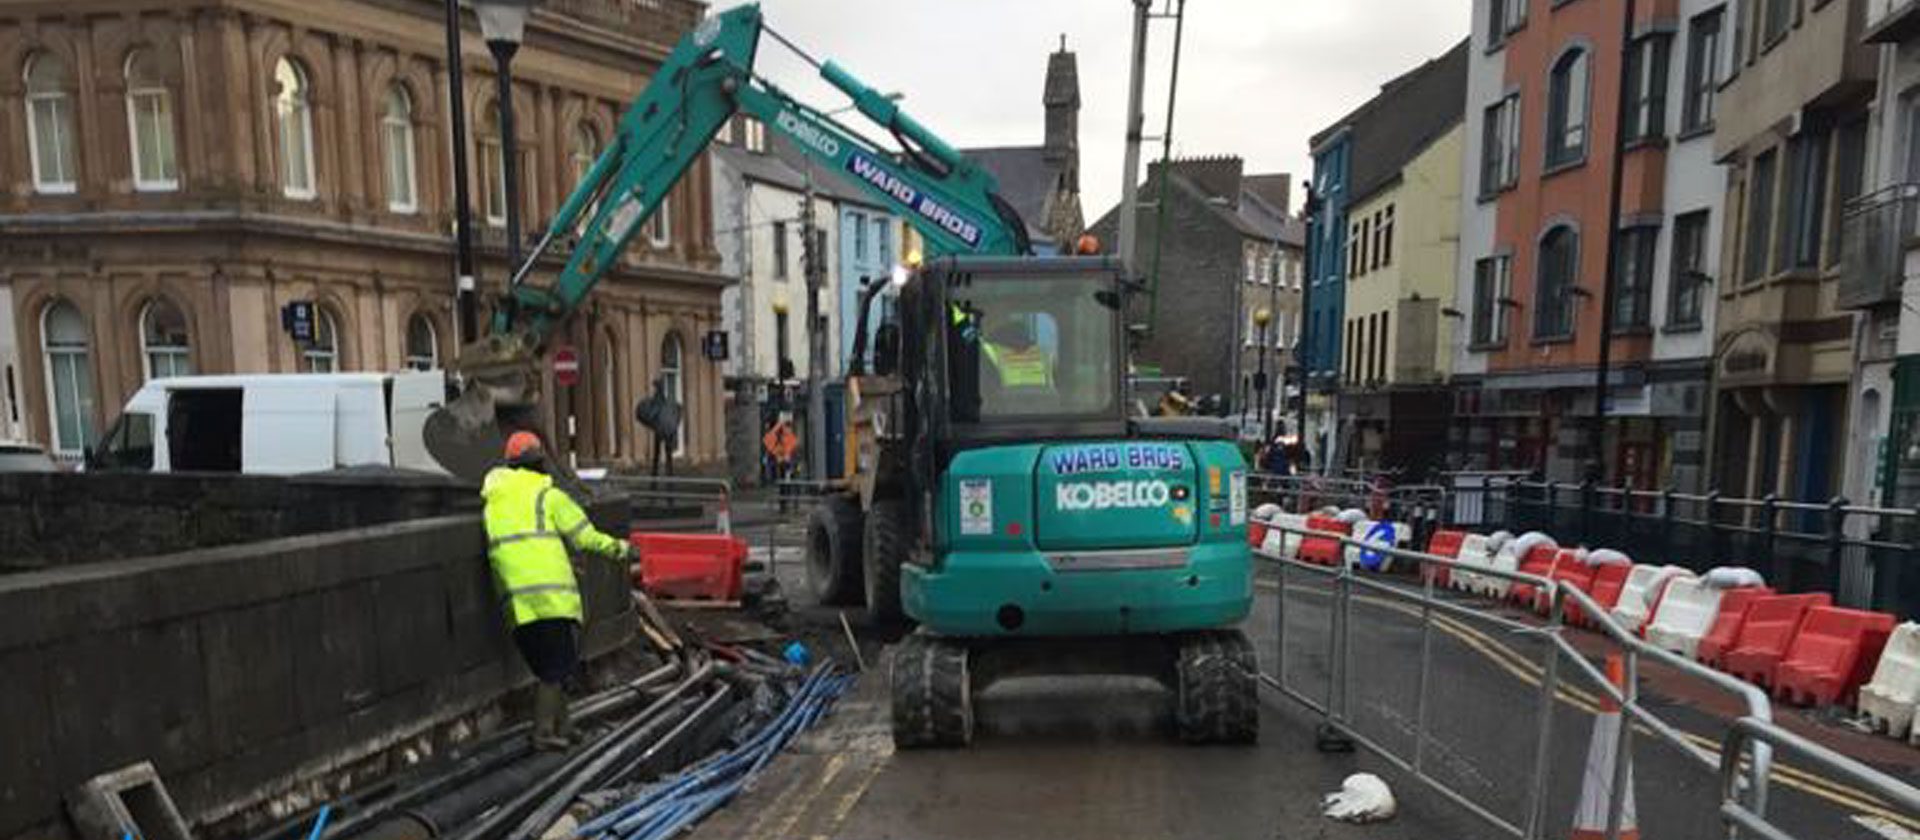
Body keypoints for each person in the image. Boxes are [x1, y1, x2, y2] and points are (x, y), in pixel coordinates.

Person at [481, 431, 635, 750]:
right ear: (540, 465)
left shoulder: (493, 501)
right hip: (552, 599)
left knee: (552, 668)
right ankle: (544, 734)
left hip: (518, 604)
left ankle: (564, 726)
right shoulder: (547, 497)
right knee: (555, 670)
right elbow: (584, 537)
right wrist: (622, 549)